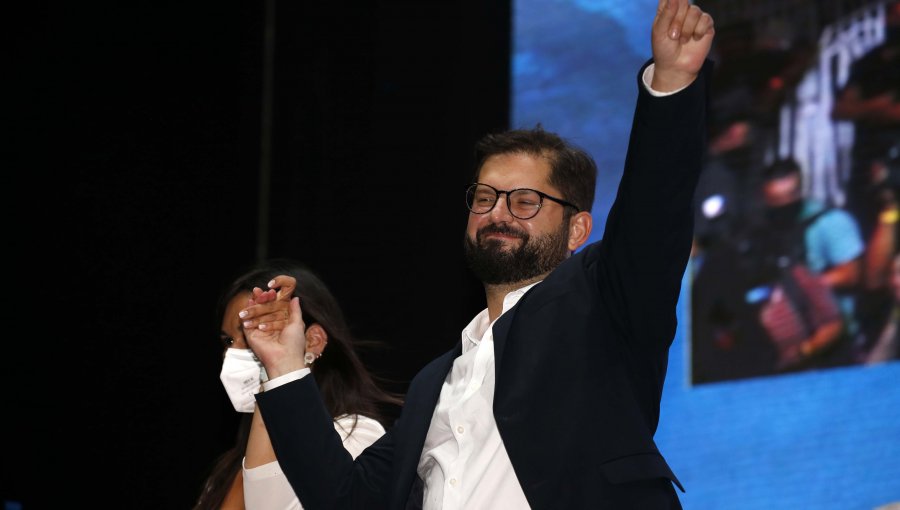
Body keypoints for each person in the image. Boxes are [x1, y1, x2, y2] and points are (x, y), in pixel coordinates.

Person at [238, 1, 714, 507]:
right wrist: (286, 363)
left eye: (526, 201)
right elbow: (343, 499)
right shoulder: (434, 383)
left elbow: (652, 212)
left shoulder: (603, 304)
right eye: (484, 198)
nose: (498, 213)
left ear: (577, 229)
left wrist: (671, 82)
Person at [193, 259, 402, 509]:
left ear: (312, 341)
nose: (232, 354)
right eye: (228, 341)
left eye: (253, 335)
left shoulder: (355, 435)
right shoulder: (228, 466)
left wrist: (276, 372)